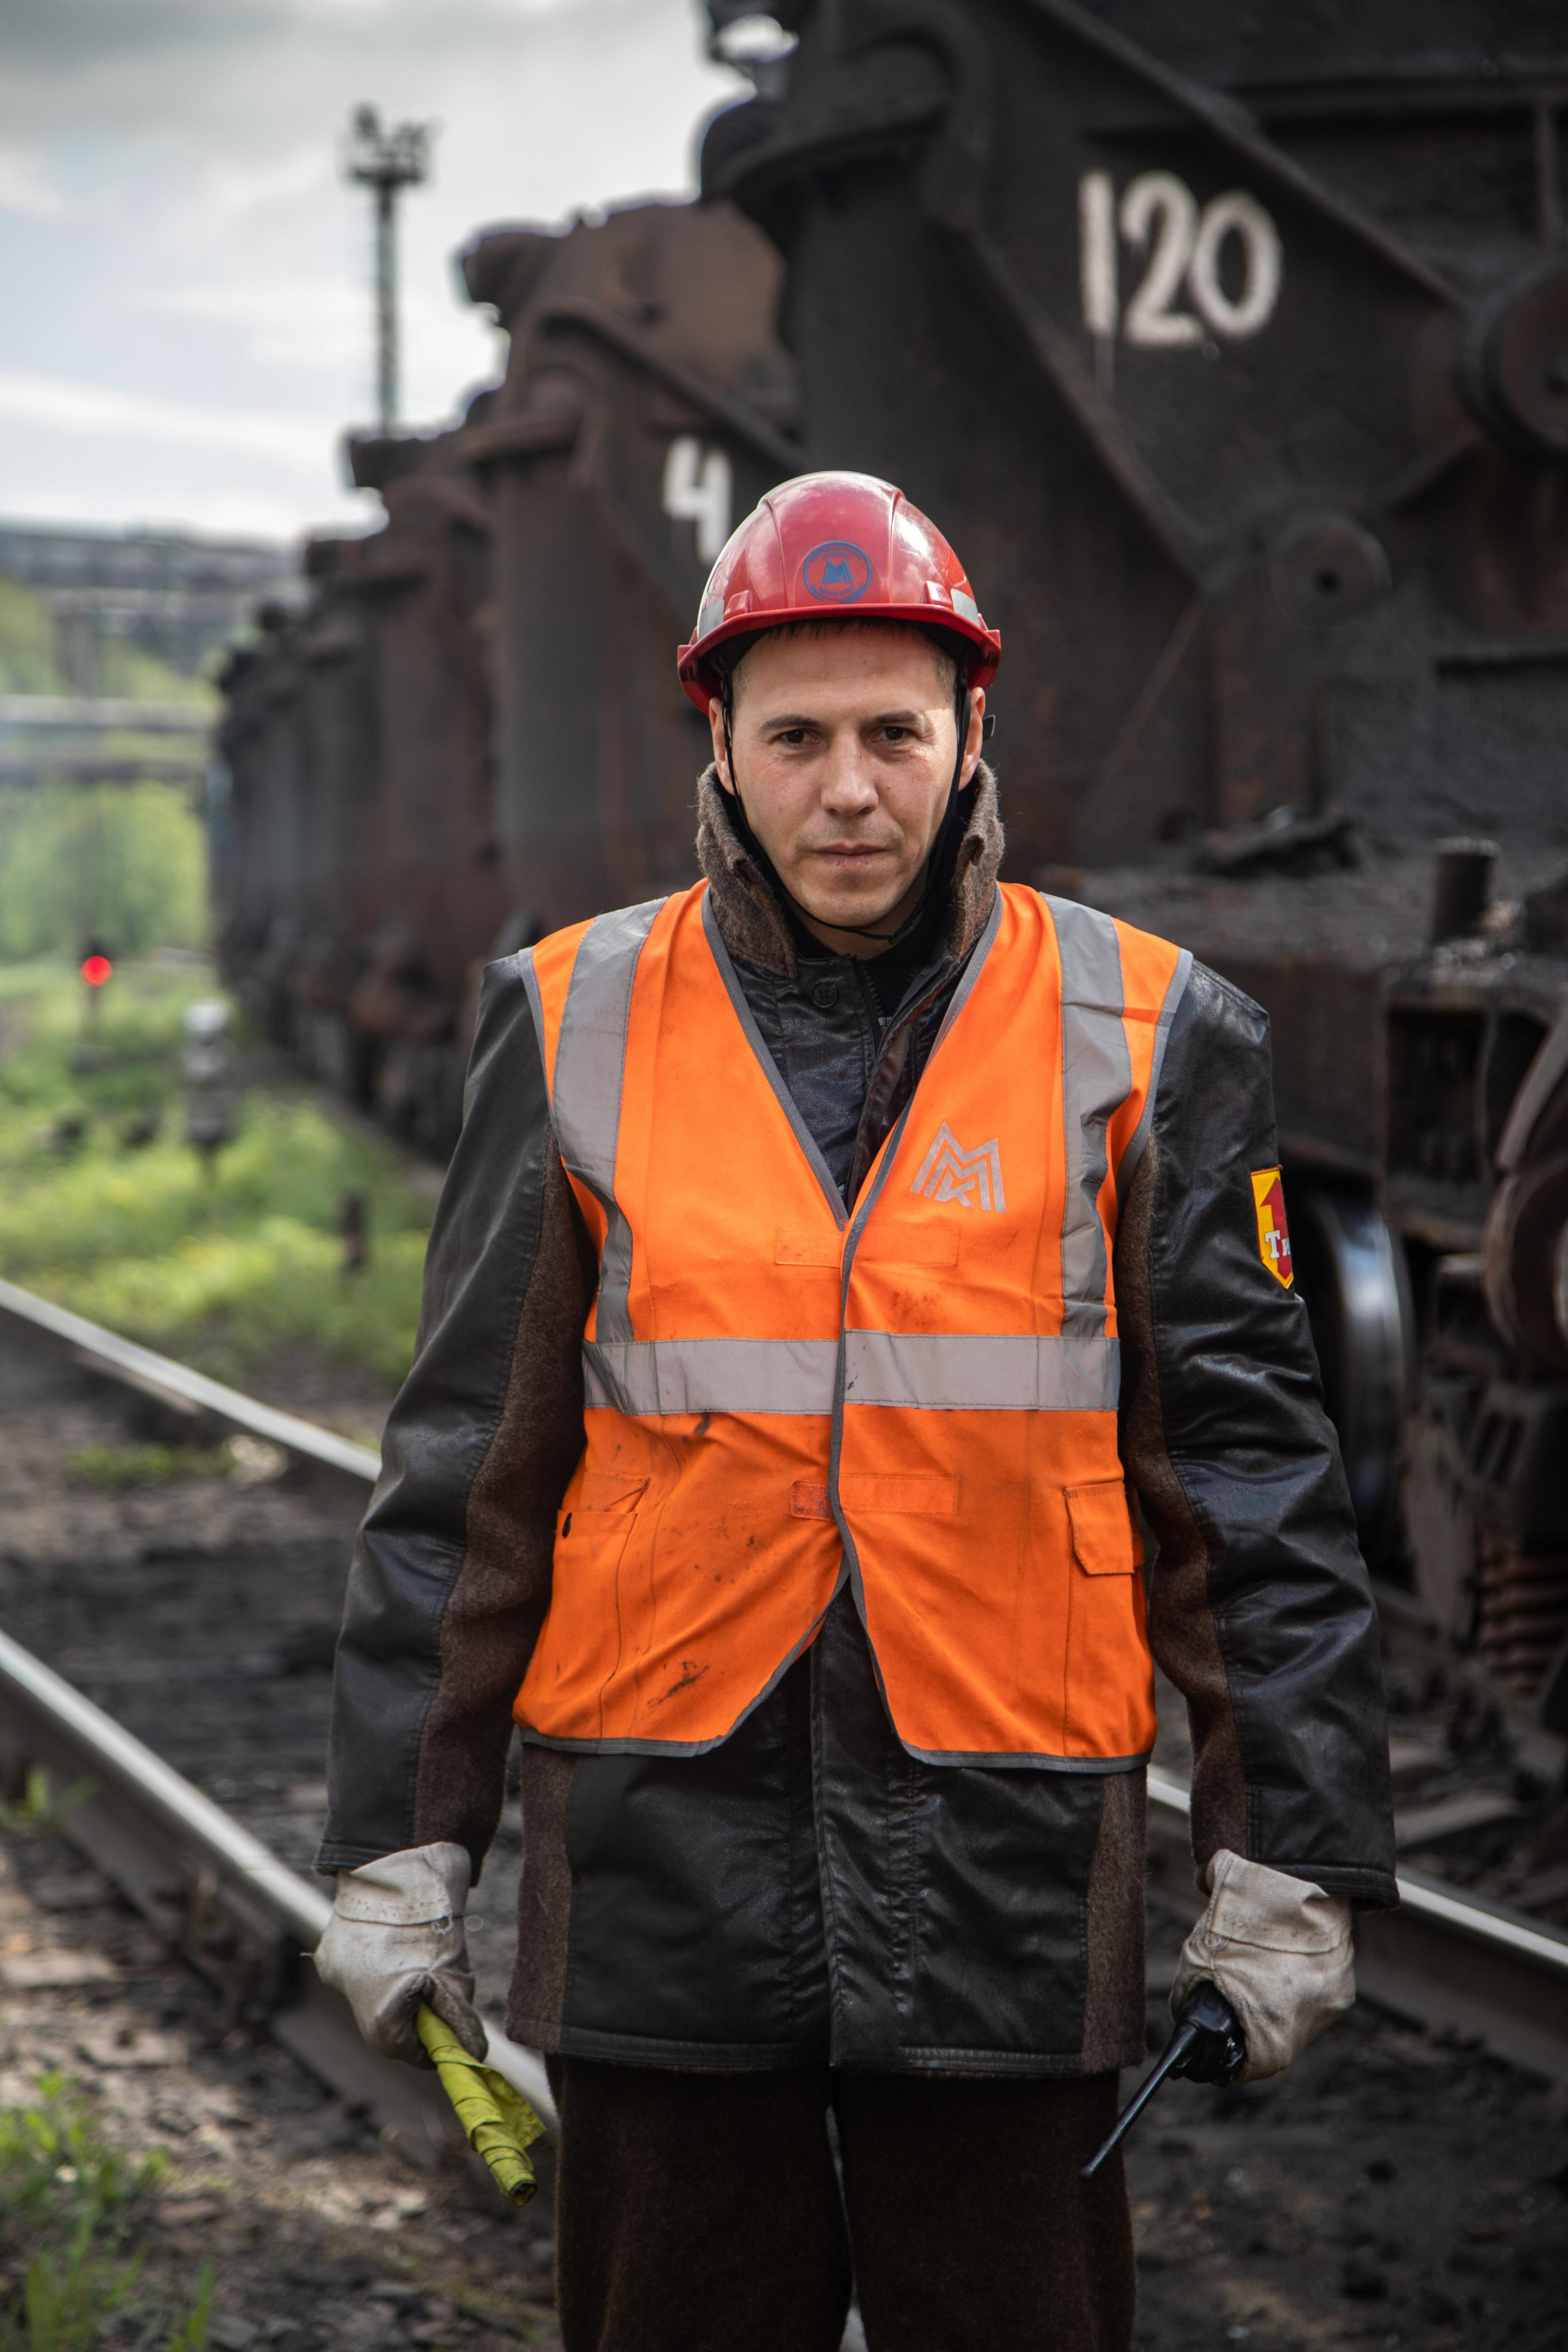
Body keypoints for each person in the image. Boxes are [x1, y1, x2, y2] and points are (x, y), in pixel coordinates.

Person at [315, 472, 1396, 2352]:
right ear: (717, 745)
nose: (848, 790)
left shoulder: (1151, 1033)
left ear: (969, 731)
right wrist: (404, 1840)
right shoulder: (571, 1020)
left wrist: (1291, 1851)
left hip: (1008, 1862)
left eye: (894, 734)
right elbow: (466, 1482)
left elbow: (1249, 1483)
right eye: (795, 736)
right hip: (662, 1853)